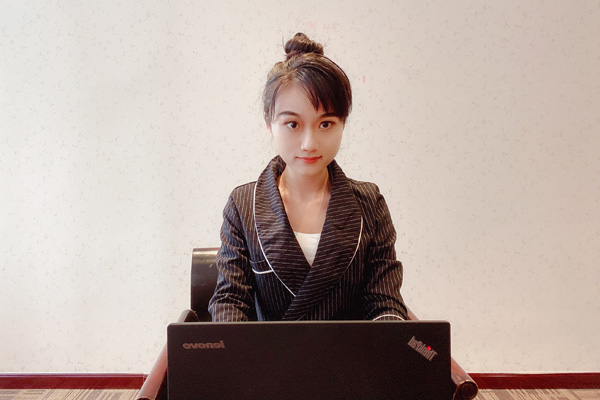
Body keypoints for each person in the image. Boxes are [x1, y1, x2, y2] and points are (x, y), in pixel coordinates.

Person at [208, 33, 407, 322]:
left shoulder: (369, 203)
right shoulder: (243, 204)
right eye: (293, 124)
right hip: (268, 352)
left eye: (326, 123)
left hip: (351, 352)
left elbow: (385, 304)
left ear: (343, 123)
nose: (309, 144)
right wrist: (240, 351)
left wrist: (390, 339)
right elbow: (230, 301)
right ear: (269, 123)